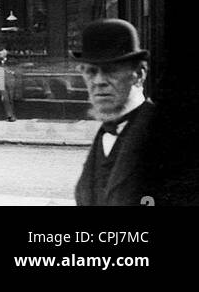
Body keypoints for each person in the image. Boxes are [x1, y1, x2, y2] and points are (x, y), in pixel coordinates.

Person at [72, 18, 197, 207]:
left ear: (139, 74)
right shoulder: (105, 133)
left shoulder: (169, 133)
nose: (98, 81)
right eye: (91, 71)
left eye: (110, 70)